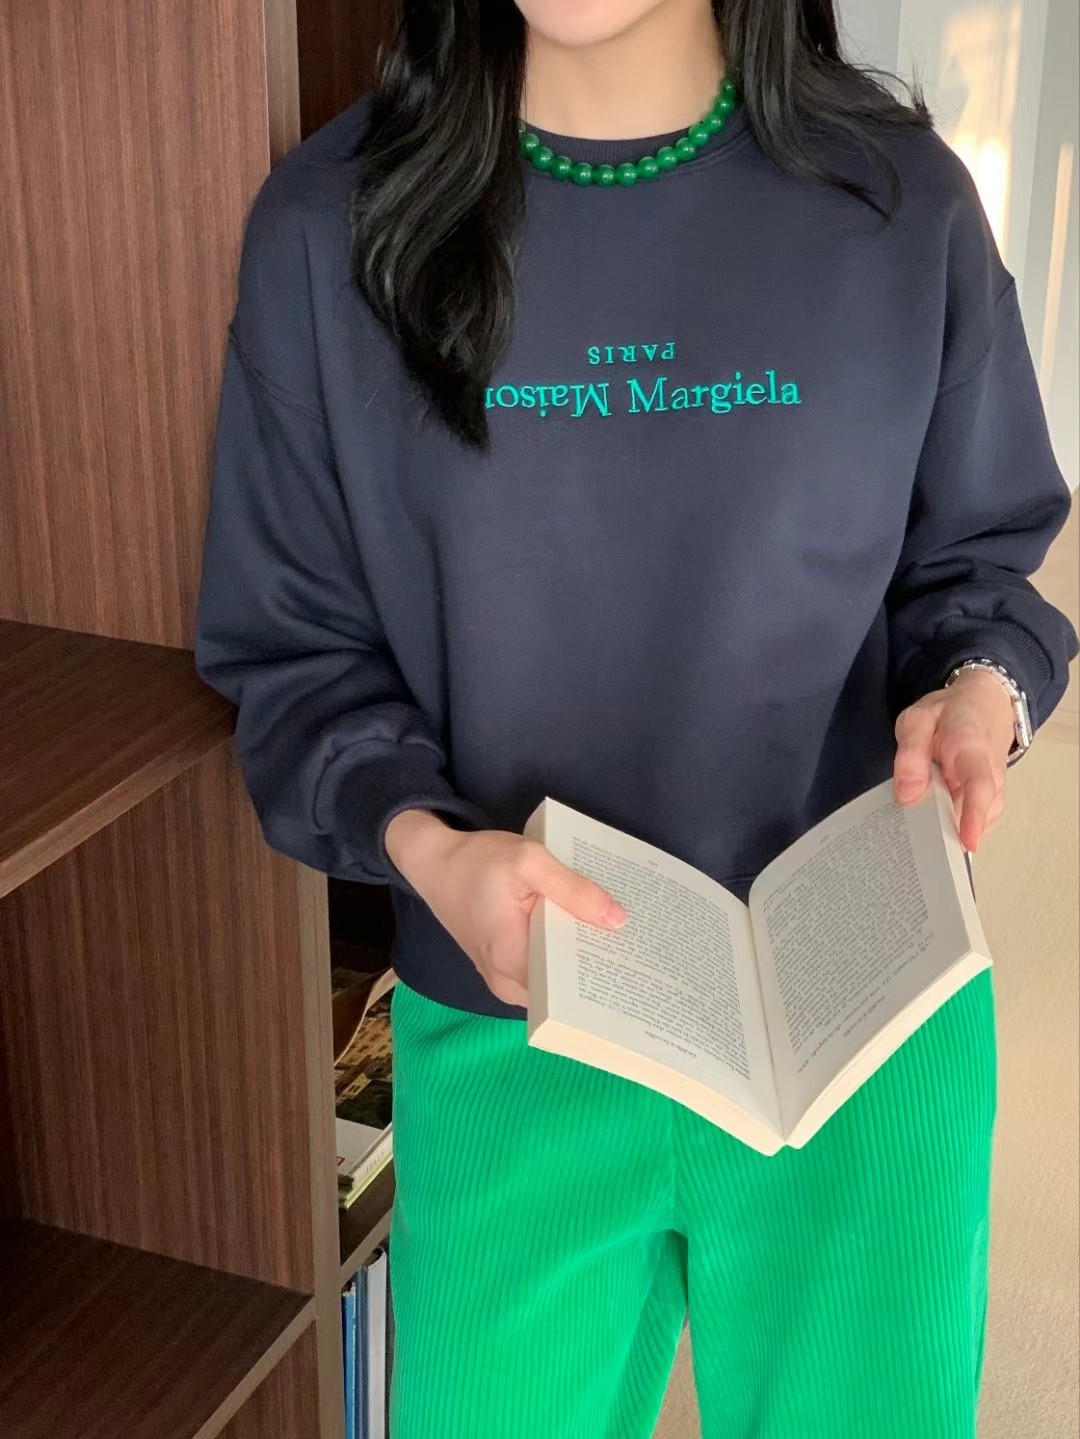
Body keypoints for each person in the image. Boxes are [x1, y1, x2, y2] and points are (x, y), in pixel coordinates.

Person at [193, 2, 1079, 1434]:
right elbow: (293, 651)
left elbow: (977, 570)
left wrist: (982, 693)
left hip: (862, 1025)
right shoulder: (331, 228)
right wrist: (428, 848)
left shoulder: (900, 203)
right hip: (512, 1018)